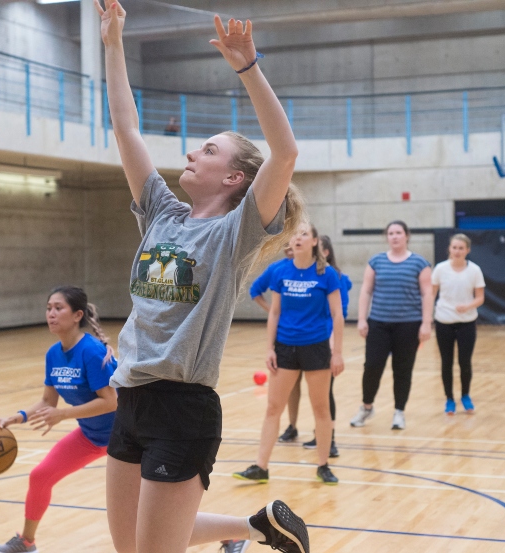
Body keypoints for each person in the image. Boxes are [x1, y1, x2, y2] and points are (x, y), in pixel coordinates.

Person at [96, 2, 309, 553]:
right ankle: (254, 526)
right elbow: (125, 127)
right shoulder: (162, 213)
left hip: (182, 408)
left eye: (208, 150)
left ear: (235, 176)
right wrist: (113, 42)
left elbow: (284, 152)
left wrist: (248, 67)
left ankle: (251, 529)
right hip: (130, 398)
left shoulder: (237, 232)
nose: (192, 152)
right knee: (132, 547)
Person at [0, 286, 118, 553]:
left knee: (143, 504)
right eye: (48, 308)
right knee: (41, 476)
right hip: (92, 436)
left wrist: (63, 414)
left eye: (58, 308)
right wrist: (15, 418)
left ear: (77, 315)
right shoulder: (53, 354)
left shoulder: (91, 351)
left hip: (128, 437)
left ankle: (222, 533)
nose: (51, 314)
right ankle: (26, 542)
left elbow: (111, 401)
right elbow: (47, 401)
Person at [233, 223, 344, 485]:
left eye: (304, 234)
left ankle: (323, 465)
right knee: (273, 408)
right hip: (285, 346)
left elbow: (338, 315)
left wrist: (336, 353)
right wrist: (269, 348)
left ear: (315, 242)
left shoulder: (326, 274)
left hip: (316, 347)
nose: (297, 238)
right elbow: (274, 312)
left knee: (321, 408)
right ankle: (261, 467)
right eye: (295, 234)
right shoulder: (280, 270)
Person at [272, 235, 351, 455]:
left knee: (325, 398)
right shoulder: (286, 273)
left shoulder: (332, 277)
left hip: (322, 343)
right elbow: (271, 304)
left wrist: (336, 350)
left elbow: (339, 315)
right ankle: (309, 434)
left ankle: (328, 441)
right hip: (296, 344)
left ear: (324, 251)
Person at [350, 221, 432, 430]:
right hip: (378, 323)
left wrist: (426, 323)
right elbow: (366, 291)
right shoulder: (376, 261)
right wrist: (362, 319)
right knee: (372, 367)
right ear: (387, 237)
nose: (394, 236)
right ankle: (367, 407)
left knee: (402, 369)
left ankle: (399, 412)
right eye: (391, 233)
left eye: (398, 232)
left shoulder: (419, 263)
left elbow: (427, 294)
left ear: (407, 236)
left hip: (408, 325)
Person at [432, 233, 485, 414]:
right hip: (443, 321)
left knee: (465, 362)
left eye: (461, 248)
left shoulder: (474, 270)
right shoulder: (440, 269)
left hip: (467, 323)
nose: (457, 251)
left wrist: (468, 306)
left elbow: (480, 298)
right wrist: (426, 318)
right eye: (454, 247)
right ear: (449, 249)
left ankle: (465, 396)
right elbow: (431, 294)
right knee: (446, 362)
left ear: (467, 250)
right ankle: (449, 399)